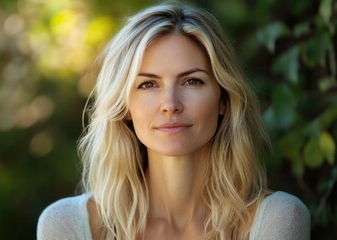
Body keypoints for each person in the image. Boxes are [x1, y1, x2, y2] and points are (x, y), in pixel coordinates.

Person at [37, 2, 311, 240]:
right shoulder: (68, 224)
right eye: (147, 85)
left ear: (223, 100)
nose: (170, 104)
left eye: (192, 81)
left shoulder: (279, 219)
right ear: (125, 107)